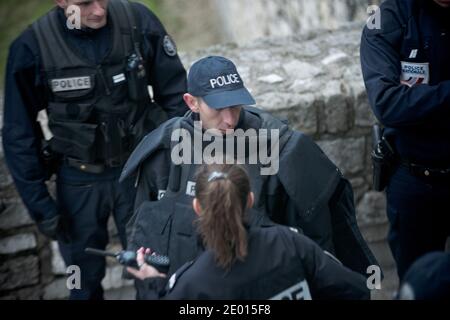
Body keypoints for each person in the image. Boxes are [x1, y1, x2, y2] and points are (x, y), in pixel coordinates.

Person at [120, 55, 378, 299]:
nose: (230, 119)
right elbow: (144, 230)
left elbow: (320, 246)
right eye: (218, 108)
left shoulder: (280, 148)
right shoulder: (164, 151)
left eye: (235, 105)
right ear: (191, 102)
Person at [2, 0, 187, 299]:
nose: (100, 10)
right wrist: (40, 205)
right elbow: (18, 134)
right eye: (85, 3)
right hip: (78, 185)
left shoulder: (137, 21)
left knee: (154, 272)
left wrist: (177, 168)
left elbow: (177, 98)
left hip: (140, 176)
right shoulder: (32, 47)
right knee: (78, 278)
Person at [126, 164, 370, 300]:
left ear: (197, 207)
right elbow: (354, 289)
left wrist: (152, 284)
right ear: (250, 200)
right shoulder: (290, 242)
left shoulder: (191, 282)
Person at [360, 0, 450, 280]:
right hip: (414, 180)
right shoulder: (385, 21)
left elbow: (403, 103)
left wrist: (419, 101)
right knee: (417, 279)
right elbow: (387, 104)